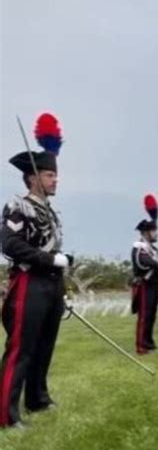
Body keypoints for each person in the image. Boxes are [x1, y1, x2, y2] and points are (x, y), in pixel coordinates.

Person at [0, 113, 72, 429]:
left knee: (44, 346)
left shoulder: (51, 213)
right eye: (49, 175)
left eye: (55, 175)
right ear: (33, 179)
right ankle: (5, 413)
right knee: (21, 350)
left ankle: (37, 399)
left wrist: (63, 289)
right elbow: (9, 244)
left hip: (51, 287)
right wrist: (48, 261)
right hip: (28, 282)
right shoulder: (19, 205)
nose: (55, 180)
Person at [131, 194, 158, 354]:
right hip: (144, 284)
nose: (156, 234)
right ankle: (141, 345)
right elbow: (141, 262)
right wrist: (157, 264)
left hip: (154, 285)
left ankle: (149, 341)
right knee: (144, 315)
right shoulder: (139, 247)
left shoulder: (152, 248)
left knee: (152, 315)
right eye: (154, 231)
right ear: (146, 232)